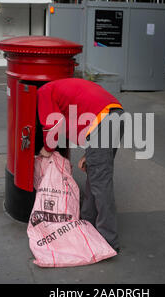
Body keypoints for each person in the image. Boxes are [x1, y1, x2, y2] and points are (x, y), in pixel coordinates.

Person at [37, 78, 124, 253]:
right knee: (96, 175)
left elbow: (52, 124)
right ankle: (87, 221)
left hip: (102, 122)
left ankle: (108, 240)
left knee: (101, 183)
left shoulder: (44, 92)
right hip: (115, 114)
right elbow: (89, 109)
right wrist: (88, 154)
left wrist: (47, 149)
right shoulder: (65, 87)